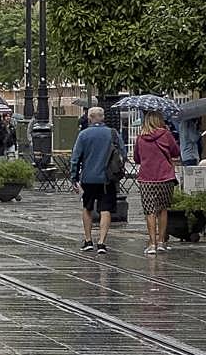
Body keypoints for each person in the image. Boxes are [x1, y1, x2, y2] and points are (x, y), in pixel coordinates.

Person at [70, 106, 125, 254]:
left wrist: (74, 177)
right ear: (103, 117)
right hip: (107, 178)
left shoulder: (84, 135)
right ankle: (101, 242)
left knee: (87, 208)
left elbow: (75, 158)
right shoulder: (113, 133)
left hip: (88, 178)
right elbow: (122, 154)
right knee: (105, 209)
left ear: (89, 118)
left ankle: (88, 240)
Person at [134, 111, 179, 254]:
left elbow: (136, 158)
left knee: (150, 211)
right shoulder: (166, 134)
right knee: (163, 210)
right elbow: (176, 151)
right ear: (159, 120)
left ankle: (152, 244)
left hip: (147, 178)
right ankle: (161, 242)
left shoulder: (140, 138)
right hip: (165, 177)